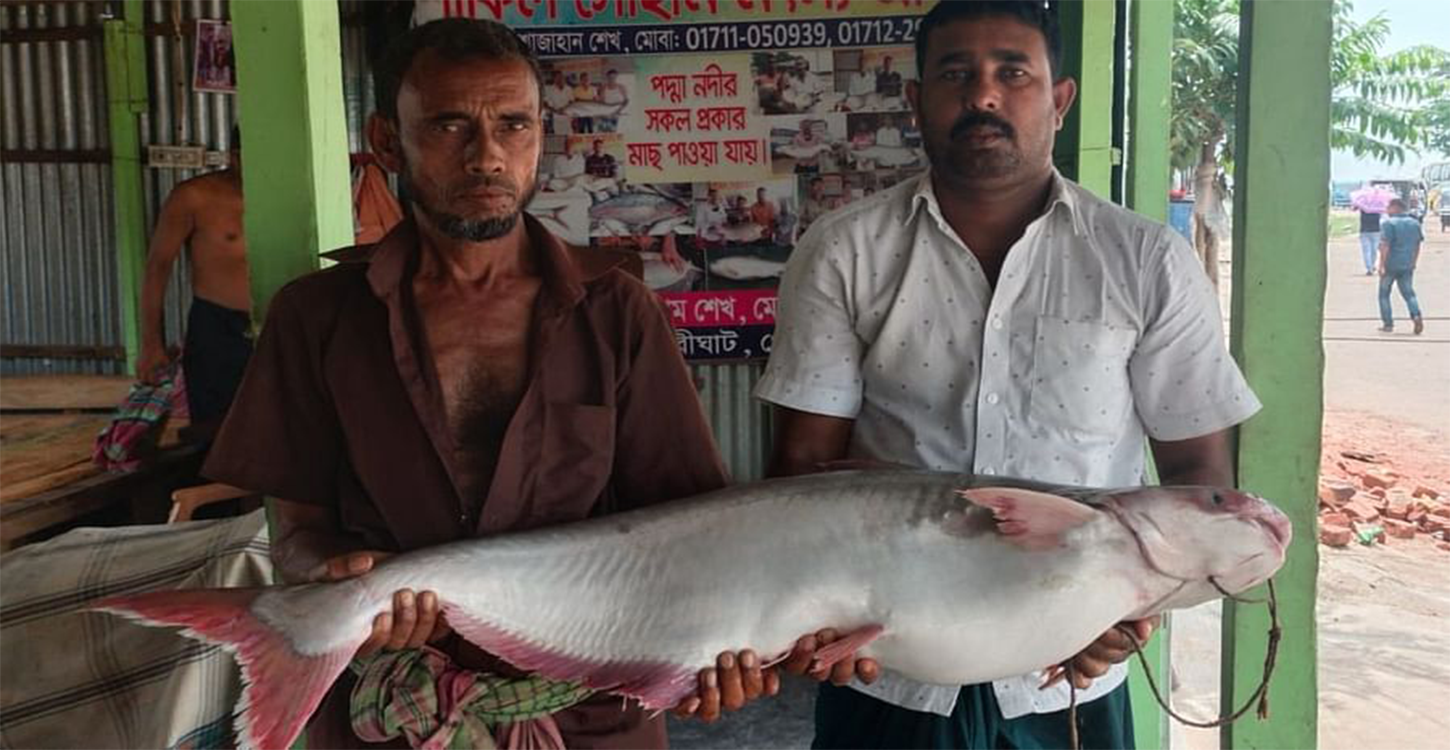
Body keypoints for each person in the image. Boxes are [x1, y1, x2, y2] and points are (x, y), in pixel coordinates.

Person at [201, 19, 787, 747]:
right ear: (389, 142)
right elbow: (292, 530)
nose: (487, 156)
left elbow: (691, 529)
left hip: (592, 713)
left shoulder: (614, 311)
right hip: (388, 709)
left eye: (513, 124)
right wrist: (334, 573)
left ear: (541, 133)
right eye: (449, 126)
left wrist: (718, 651)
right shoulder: (317, 315)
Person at [756, 2, 1262, 748]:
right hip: (890, 669)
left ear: (1058, 99)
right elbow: (801, 474)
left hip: (1072, 678)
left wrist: (1127, 614)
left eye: (1012, 72)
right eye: (956, 73)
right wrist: (808, 616)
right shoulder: (843, 251)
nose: (983, 95)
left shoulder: (1146, 261)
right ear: (916, 100)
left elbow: (1199, 479)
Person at [137, 125, 251, 436]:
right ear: (233, 156)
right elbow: (158, 267)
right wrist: (151, 343)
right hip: (217, 326)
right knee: (213, 432)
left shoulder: (296, 193)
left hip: (277, 324)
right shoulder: (195, 197)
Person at [1377, 198, 1425, 334]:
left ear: (1395, 208)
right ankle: (1416, 315)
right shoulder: (1415, 223)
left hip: (1391, 263)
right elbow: (1417, 245)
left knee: (1384, 294)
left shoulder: (1388, 224)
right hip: (1407, 263)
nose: (1387, 210)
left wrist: (1381, 264)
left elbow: (1385, 245)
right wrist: (1414, 261)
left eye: (1389, 207)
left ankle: (1388, 323)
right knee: (1409, 293)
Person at [1356, 190, 1384, 275]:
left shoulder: (1363, 206)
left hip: (1364, 231)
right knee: (1374, 250)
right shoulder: (1378, 207)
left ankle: (1369, 267)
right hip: (1376, 230)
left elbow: (1354, 208)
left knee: (1366, 250)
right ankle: (1372, 265)